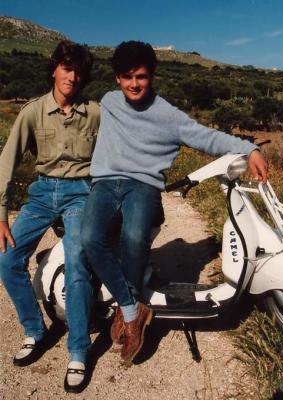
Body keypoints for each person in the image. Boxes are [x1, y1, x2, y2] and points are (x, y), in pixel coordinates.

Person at [81, 40, 268, 366]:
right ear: (116, 79)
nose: (134, 84)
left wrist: (247, 148)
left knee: (134, 238)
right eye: (127, 77)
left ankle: (128, 311)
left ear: (151, 76)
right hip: (106, 184)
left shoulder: (167, 114)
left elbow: (205, 136)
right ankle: (131, 308)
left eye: (140, 76)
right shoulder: (108, 101)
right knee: (90, 239)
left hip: (143, 186)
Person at [0, 40, 100, 393]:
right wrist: (1, 214)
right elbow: (7, 162)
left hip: (81, 194)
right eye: (66, 68)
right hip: (42, 194)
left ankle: (78, 350)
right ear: (54, 68)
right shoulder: (32, 111)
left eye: (77, 70)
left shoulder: (95, 112)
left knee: (77, 260)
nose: (72, 76)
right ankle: (34, 331)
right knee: (8, 259)